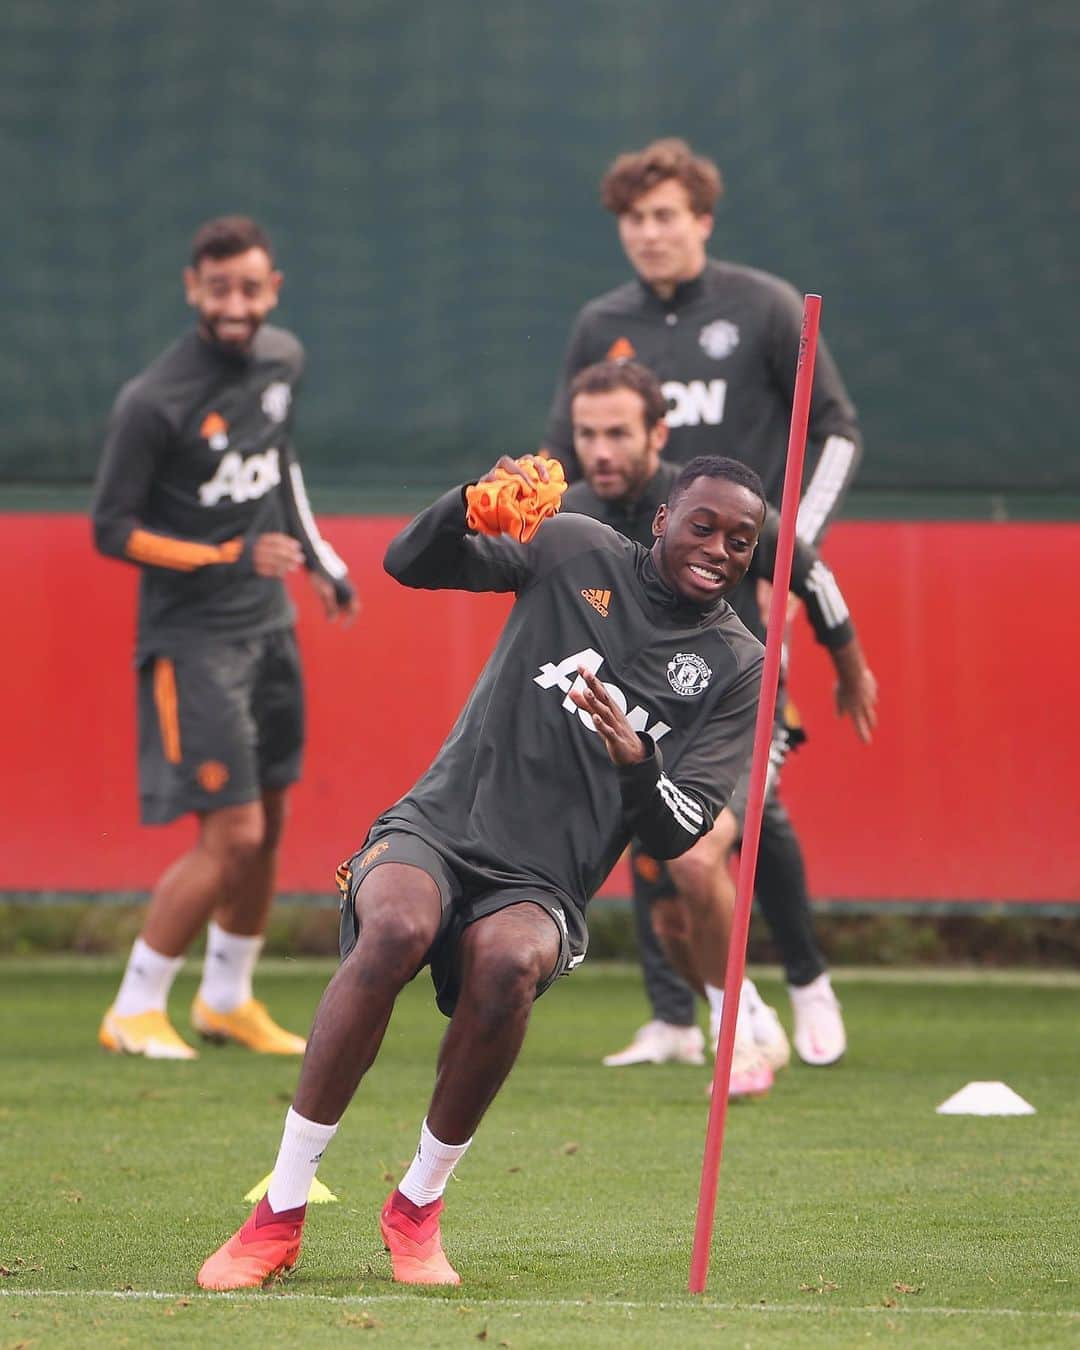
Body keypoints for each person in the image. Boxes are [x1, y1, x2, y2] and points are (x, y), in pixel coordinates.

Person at [196, 451, 768, 1290]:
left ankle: (416, 1208)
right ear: (663, 520)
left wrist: (636, 761)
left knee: (508, 962)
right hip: (439, 825)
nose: (719, 547)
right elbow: (409, 562)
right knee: (395, 925)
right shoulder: (573, 546)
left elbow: (678, 831)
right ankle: (277, 1214)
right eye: (704, 525)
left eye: (742, 540)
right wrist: (463, 502)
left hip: (544, 881)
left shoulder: (738, 663)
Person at [541, 137, 866, 1066]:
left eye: (666, 215)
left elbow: (835, 430)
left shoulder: (762, 305)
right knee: (641, 784)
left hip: (738, 595)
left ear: (702, 220)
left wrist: (786, 543)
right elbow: (570, 449)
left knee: (750, 809)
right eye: (634, 219)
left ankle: (805, 977)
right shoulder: (600, 320)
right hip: (637, 600)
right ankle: (674, 1016)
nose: (650, 233)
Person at [561, 361, 877, 1093]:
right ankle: (740, 1016)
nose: (601, 450)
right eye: (587, 434)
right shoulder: (574, 511)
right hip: (646, 726)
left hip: (739, 712)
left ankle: (783, 1003)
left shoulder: (712, 500)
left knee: (700, 857)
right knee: (674, 921)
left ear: (656, 434)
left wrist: (852, 667)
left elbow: (812, 574)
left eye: (618, 433)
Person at [91, 215, 358, 1061]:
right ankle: (133, 1007)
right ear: (192, 289)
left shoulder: (284, 359)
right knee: (232, 833)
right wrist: (226, 554)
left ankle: (227, 999)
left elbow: (281, 465)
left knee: (272, 822)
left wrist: (319, 559)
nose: (235, 303)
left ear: (273, 287)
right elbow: (111, 529)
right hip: (191, 638)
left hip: (268, 627)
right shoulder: (153, 400)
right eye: (219, 288)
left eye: (250, 286)